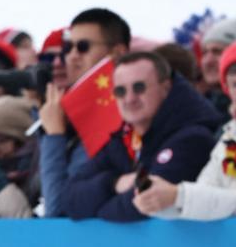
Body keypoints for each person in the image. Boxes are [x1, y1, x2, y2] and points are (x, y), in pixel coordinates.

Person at [65, 51, 221, 221]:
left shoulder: (193, 139)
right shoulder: (121, 141)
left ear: (166, 88)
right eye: (120, 91)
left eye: (139, 88)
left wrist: (98, 210)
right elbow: (69, 200)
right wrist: (114, 183)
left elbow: (141, 207)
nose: (130, 98)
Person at [135, 39, 236, 220]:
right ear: (226, 88)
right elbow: (206, 191)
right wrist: (163, 202)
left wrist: (177, 195)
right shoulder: (229, 138)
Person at [38, 8, 130, 217]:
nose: (71, 56)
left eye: (83, 47)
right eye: (68, 47)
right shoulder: (67, 112)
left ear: (118, 53)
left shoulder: (115, 114)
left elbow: (58, 208)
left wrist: (54, 136)